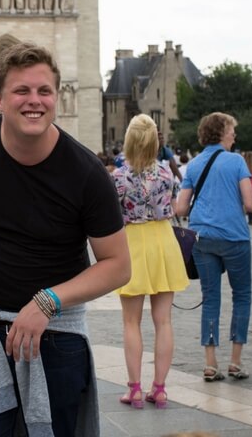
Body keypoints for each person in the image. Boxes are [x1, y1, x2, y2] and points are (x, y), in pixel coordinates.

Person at [0, 43, 130, 436]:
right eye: (21, 91)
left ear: (58, 97)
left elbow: (118, 265)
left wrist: (47, 301)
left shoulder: (87, 173)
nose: (34, 101)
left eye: (44, 91)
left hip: (56, 338)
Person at [112, 115, 189, 409]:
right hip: (163, 241)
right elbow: (172, 205)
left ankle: (134, 388)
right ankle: (159, 388)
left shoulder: (118, 178)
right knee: (164, 321)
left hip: (132, 243)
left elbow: (113, 217)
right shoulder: (167, 174)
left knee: (131, 321)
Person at [175, 113, 252, 381]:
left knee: (211, 299)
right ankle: (235, 360)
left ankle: (210, 363)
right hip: (234, 237)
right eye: (232, 130)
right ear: (222, 132)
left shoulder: (195, 164)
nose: (234, 135)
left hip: (203, 238)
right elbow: (251, 204)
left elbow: (181, 207)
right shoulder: (236, 161)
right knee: (241, 296)